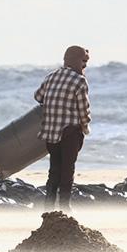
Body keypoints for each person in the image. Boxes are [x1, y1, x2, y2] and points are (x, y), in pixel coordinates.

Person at [36, 45, 91, 211]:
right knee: (68, 169)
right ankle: (65, 207)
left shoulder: (51, 76)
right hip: (69, 132)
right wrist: (86, 128)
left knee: (54, 169)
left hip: (50, 133)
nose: (85, 65)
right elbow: (84, 110)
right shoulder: (79, 81)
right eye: (83, 61)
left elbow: (38, 96)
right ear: (76, 60)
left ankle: (49, 207)